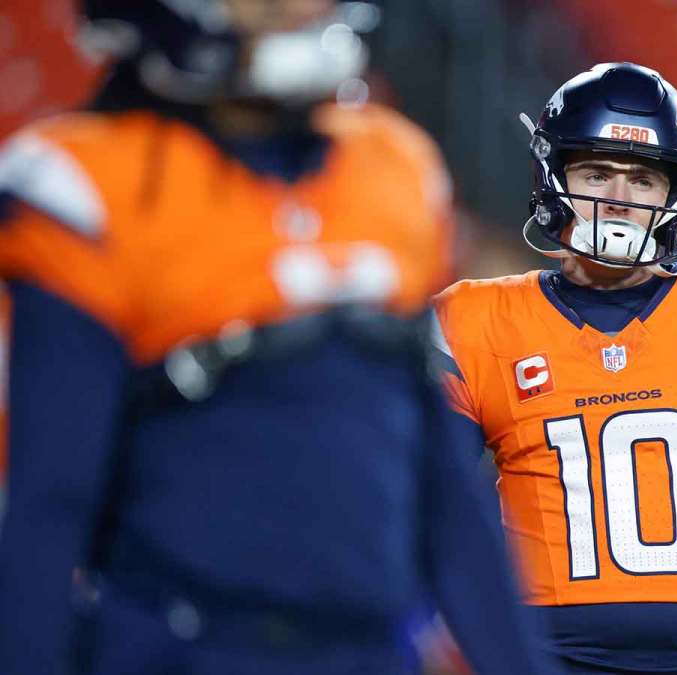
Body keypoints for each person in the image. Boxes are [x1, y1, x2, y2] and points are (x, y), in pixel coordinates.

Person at [0, 2, 557, 674]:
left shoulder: (392, 166)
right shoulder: (96, 184)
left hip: (371, 652)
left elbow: (448, 500)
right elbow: (49, 511)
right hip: (180, 650)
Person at [431, 62, 677, 675]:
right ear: (553, 177)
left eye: (642, 179)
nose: (617, 199)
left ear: (675, 194)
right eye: (596, 172)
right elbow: (418, 508)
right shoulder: (475, 320)